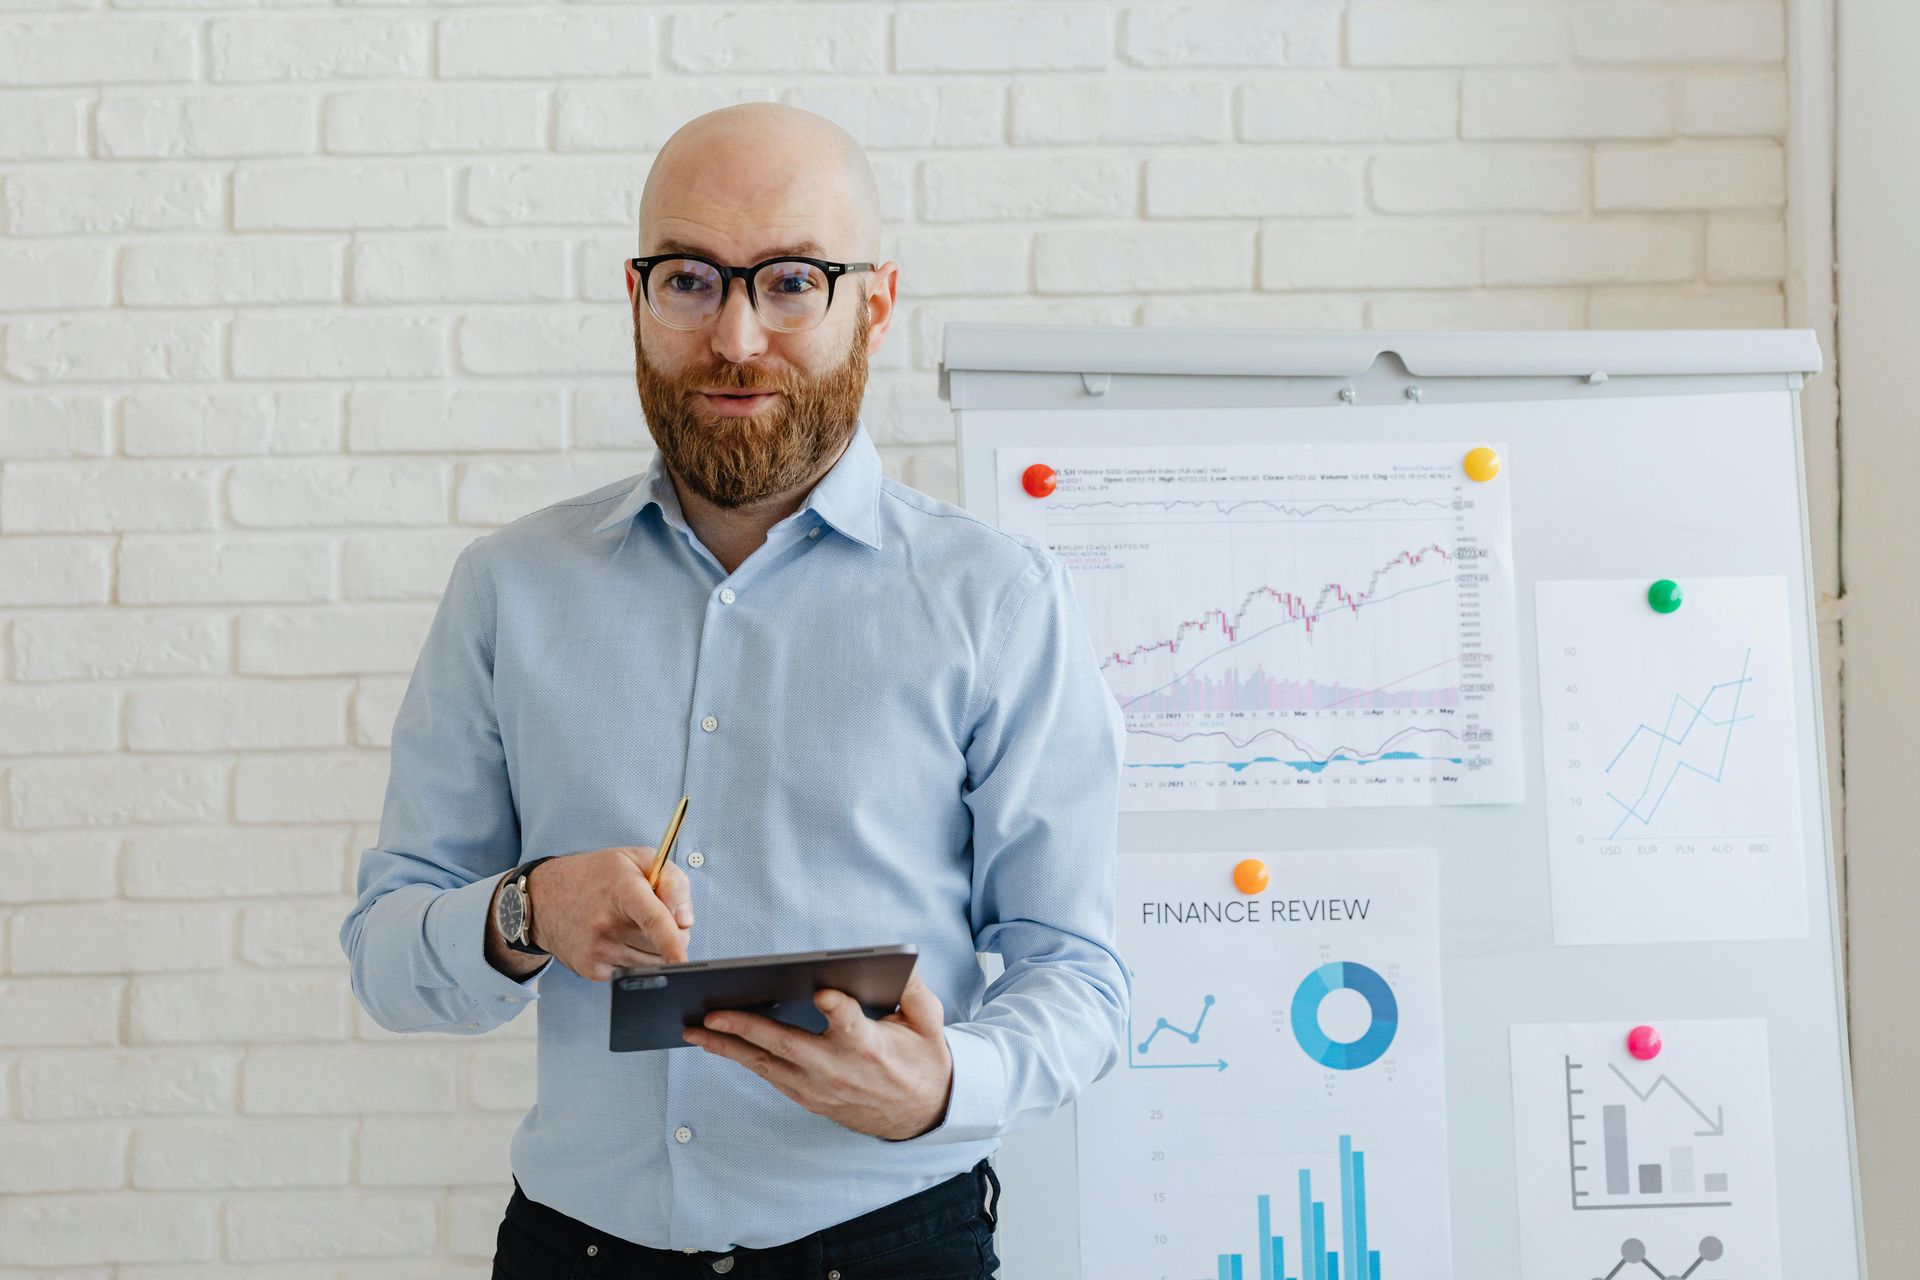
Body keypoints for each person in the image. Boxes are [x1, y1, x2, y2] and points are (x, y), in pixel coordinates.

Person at [339, 101, 1129, 1280]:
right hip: (576, 1251)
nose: (739, 338)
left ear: (876, 300)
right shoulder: (511, 588)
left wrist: (949, 1083)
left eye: (794, 281)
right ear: (638, 294)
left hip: (894, 1244)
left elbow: (1081, 972)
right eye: (693, 280)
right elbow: (388, 960)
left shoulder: (998, 600)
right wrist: (531, 909)